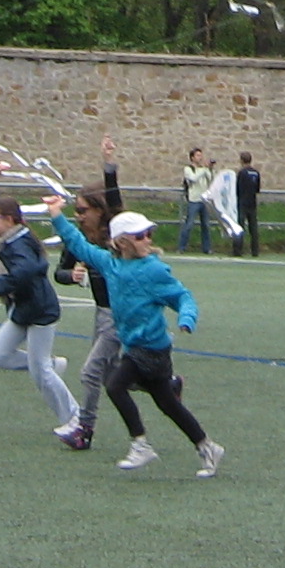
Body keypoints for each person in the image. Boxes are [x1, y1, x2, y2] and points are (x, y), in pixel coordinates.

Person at [47, 202, 219, 473]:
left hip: (152, 350)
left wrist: (186, 318)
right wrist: (56, 215)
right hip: (134, 346)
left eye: (149, 234)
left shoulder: (153, 270)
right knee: (168, 404)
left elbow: (182, 296)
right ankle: (207, 446)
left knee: (115, 385)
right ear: (122, 242)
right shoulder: (110, 264)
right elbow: (79, 246)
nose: (147, 240)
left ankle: (140, 445)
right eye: (140, 236)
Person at [0, 193, 79, 432]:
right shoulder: (12, 235)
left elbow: (24, 273)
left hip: (40, 312)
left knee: (42, 375)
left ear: (9, 219)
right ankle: (49, 364)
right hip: (22, 310)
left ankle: (74, 419)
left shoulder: (18, 244)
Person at [49, 142, 129, 451]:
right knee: (114, 376)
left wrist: (109, 164)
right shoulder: (79, 239)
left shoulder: (114, 232)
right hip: (102, 311)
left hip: (120, 312)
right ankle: (164, 383)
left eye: (83, 211)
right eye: (75, 211)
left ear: (100, 210)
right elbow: (59, 272)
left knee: (91, 371)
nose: (78, 216)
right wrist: (72, 276)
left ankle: (85, 429)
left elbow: (115, 199)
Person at [178, 148, 216, 255]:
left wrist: (210, 169)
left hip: (204, 200)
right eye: (198, 155)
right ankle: (182, 247)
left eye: (201, 155)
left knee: (206, 225)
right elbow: (193, 179)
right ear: (192, 158)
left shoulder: (203, 169)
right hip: (194, 199)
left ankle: (207, 248)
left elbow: (211, 180)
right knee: (189, 224)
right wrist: (203, 170)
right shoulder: (188, 169)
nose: (200, 158)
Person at [232, 150, 262, 257]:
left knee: (239, 227)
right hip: (252, 203)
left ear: (241, 161)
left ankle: (237, 250)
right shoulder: (256, 173)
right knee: (253, 228)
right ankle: (255, 251)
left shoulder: (242, 173)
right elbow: (257, 189)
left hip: (243, 202)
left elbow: (237, 188)